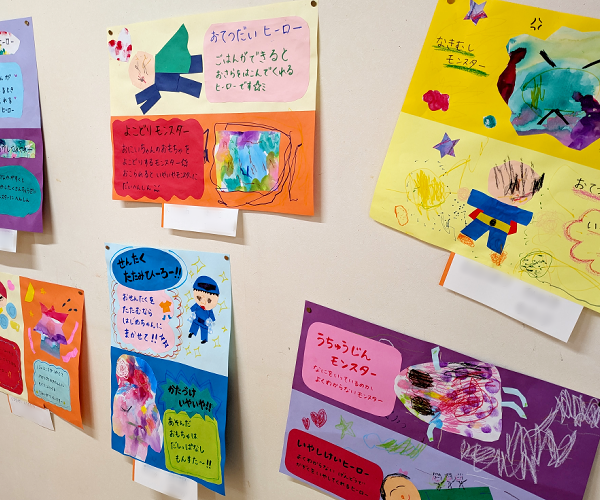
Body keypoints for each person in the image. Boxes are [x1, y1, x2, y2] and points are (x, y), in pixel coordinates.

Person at [458, 160, 544, 257]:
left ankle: (495, 253)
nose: (515, 194)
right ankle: (467, 237)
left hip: (500, 226)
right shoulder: (495, 203)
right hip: (485, 220)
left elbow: (523, 216)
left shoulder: (512, 210)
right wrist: (470, 195)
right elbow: (481, 200)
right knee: (476, 228)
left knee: (497, 239)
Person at [188, 276, 220, 343]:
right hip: (197, 318)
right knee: (195, 324)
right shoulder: (198, 305)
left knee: (204, 329)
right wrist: (191, 309)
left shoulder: (209, 309)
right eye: (199, 298)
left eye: (209, 300)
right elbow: (193, 307)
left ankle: (204, 339)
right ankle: (192, 332)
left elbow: (211, 314)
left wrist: (213, 319)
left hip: (204, 321)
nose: (203, 302)